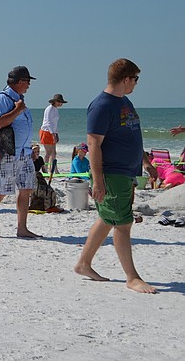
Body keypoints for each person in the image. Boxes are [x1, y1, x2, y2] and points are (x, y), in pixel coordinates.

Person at [74, 58, 158, 293]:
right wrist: (98, 181)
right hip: (112, 174)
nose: (136, 84)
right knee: (123, 222)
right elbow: (94, 144)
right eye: (136, 79)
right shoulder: (101, 105)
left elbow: (132, 136)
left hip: (126, 172)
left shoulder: (124, 102)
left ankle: (83, 264)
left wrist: (146, 163)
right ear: (126, 79)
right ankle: (132, 277)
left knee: (108, 218)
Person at [0, 66, 40, 238]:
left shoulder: (19, 99)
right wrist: (18, 110)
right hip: (8, 153)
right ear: (20, 82)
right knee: (1, 189)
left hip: (24, 153)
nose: (29, 85)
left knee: (26, 189)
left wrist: (30, 148)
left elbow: (21, 127)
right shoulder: (3, 98)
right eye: (27, 81)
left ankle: (22, 228)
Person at [40, 94, 68, 175]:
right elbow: (49, 123)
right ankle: (45, 169)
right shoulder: (49, 109)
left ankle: (54, 169)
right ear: (55, 101)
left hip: (52, 132)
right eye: (59, 102)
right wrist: (53, 134)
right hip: (46, 131)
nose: (60, 104)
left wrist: (56, 134)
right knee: (48, 152)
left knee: (54, 153)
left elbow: (54, 124)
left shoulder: (55, 109)